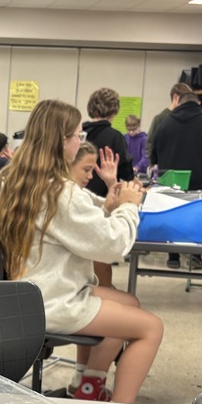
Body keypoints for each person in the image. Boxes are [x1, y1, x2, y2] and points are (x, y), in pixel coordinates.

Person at [0, 99, 163, 404]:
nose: (80, 141)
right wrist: (128, 206)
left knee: (129, 303)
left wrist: (110, 204)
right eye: (77, 136)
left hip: (30, 293)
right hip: (54, 299)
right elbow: (111, 245)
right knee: (150, 328)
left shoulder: (17, 179)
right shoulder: (60, 191)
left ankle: (87, 386)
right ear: (62, 142)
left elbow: (72, 215)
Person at [150, 92, 202, 270]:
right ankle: (196, 256)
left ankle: (173, 256)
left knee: (172, 214)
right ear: (198, 103)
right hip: (199, 180)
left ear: (179, 103)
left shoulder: (165, 124)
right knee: (196, 216)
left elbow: (154, 158)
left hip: (171, 179)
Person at [81, 87, 134, 288]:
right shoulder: (115, 137)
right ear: (114, 112)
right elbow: (126, 177)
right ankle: (104, 289)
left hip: (80, 203)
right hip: (105, 204)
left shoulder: (78, 135)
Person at [146, 82, 193, 165]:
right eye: (185, 100)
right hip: (163, 168)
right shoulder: (160, 119)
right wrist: (153, 165)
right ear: (175, 97)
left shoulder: (187, 119)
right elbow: (150, 145)